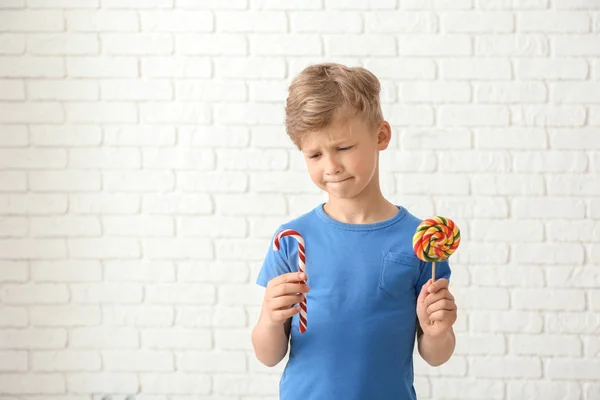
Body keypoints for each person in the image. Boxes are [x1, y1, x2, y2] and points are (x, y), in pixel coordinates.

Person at [251, 63, 458, 400]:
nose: (330, 166)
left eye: (343, 148)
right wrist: (270, 320)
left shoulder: (421, 241)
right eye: (315, 154)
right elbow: (268, 354)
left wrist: (438, 332)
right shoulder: (292, 240)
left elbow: (436, 355)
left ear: (381, 136)